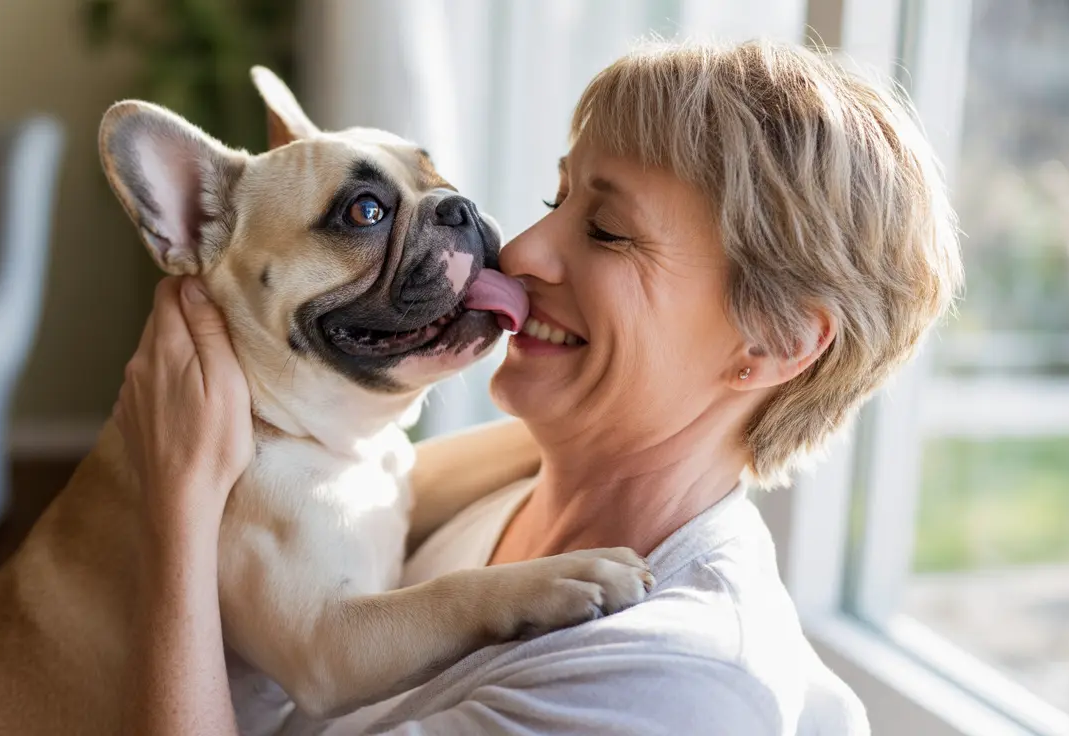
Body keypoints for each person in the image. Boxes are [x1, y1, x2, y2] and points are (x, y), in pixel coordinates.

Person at [115, 39, 962, 735]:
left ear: (775, 343)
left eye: (604, 229)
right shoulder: (544, 480)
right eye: (551, 198)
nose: (516, 252)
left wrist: (181, 500)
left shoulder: (670, 687)